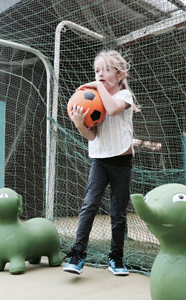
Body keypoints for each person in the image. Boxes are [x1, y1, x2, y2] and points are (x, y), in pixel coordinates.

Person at [63, 49, 139, 276]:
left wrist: (95, 86)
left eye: (106, 70)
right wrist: (79, 124)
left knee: (118, 212)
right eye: (97, 71)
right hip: (100, 160)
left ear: (119, 75)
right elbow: (93, 136)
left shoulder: (124, 97)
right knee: (89, 205)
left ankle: (116, 258)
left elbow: (113, 110)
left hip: (121, 161)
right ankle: (78, 254)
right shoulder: (94, 99)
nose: (100, 74)